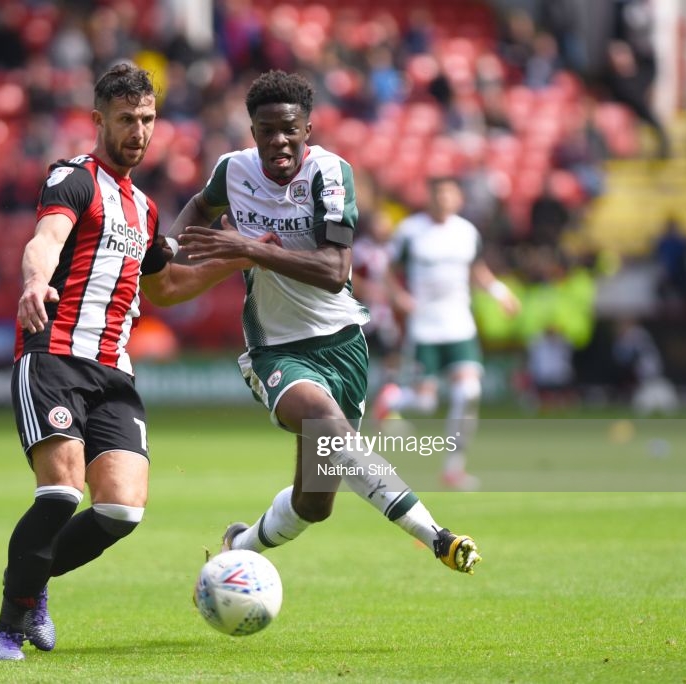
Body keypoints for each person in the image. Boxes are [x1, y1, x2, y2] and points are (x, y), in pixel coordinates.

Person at [0, 63, 255, 661]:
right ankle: (7, 627)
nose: (139, 130)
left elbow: (163, 289)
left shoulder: (146, 211)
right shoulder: (73, 179)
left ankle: (34, 585)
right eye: (127, 119)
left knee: (121, 507)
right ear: (99, 119)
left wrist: (235, 259)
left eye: (148, 119)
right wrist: (34, 283)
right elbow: (46, 239)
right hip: (53, 356)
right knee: (61, 492)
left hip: (114, 371)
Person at [170, 70, 481, 581]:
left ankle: (239, 544)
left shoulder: (330, 175)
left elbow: (336, 272)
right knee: (327, 424)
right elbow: (201, 205)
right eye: (266, 130)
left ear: (307, 129)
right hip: (276, 348)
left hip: (342, 346)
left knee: (314, 504)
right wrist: (167, 245)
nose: (278, 141)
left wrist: (248, 248)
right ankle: (439, 538)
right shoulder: (232, 171)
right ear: (253, 133)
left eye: (289, 129)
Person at [374, 176, 521, 490]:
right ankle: (392, 398)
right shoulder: (411, 232)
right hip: (425, 327)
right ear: (429, 197)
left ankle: (454, 468)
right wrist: (398, 296)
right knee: (425, 403)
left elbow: (476, 270)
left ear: (458, 198)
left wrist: (498, 291)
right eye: (438, 193)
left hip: (459, 324)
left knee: (468, 393)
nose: (443, 199)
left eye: (449, 194)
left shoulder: (466, 232)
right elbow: (385, 270)